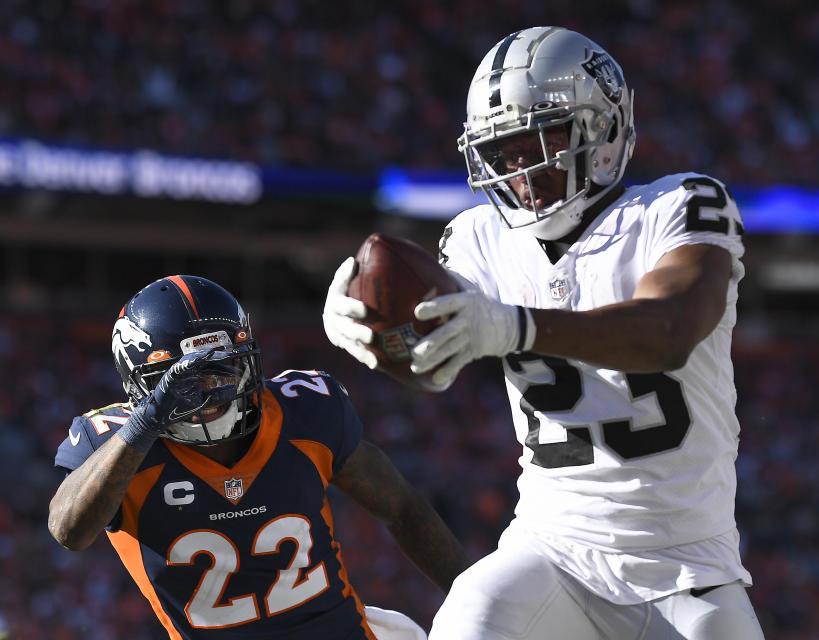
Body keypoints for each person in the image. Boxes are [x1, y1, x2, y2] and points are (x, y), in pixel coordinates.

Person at [323, 26, 764, 640]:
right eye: (503, 153)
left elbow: (671, 328)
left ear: (603, 129)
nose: (521, 171)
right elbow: (430, 360)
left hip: (688, 568)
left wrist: (515, 326)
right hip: (552, 548)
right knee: (469, 618)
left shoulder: (676, 206)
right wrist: (370, 325)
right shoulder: (481, 237)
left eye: (540, 143)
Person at [48, 275, 469, 640]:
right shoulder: (116, 445)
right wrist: (146, 423)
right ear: (140, 388)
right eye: (182, 381)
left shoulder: (303, 413)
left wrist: (479, 606)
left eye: (222, 368)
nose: (209, 391)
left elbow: (403, 509)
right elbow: (68, 531)